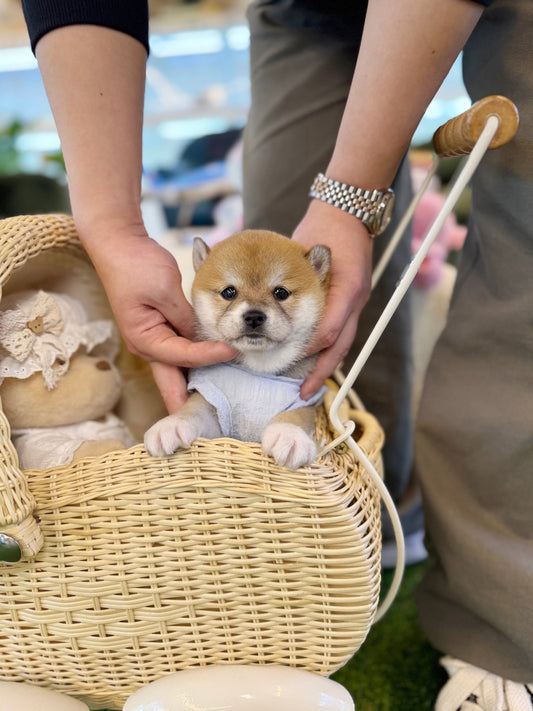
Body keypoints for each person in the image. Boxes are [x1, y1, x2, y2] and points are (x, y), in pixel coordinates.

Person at [20, 1, 533, 709]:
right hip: (302, 9)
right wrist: (110, 224)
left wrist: (352, 195)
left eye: (266, 301)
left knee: (519, 247)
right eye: (229, 294)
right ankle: (358, 519)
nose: (251, 313)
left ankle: (501, 625)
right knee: (294, 196)